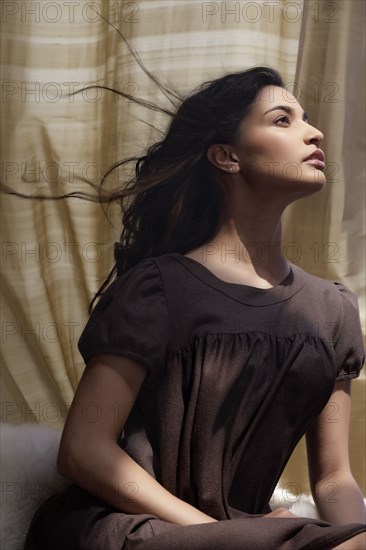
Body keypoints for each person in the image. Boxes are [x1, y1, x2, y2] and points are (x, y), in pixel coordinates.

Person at [23, 65, 366, 549]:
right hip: (135, 529)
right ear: (226, 156)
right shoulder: (157, 290)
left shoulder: (332, 311)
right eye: (282, 120)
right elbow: (82, 451)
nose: (315, 131)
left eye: (306, 118)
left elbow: (332, 481)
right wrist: (222, 536)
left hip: (245, 534)